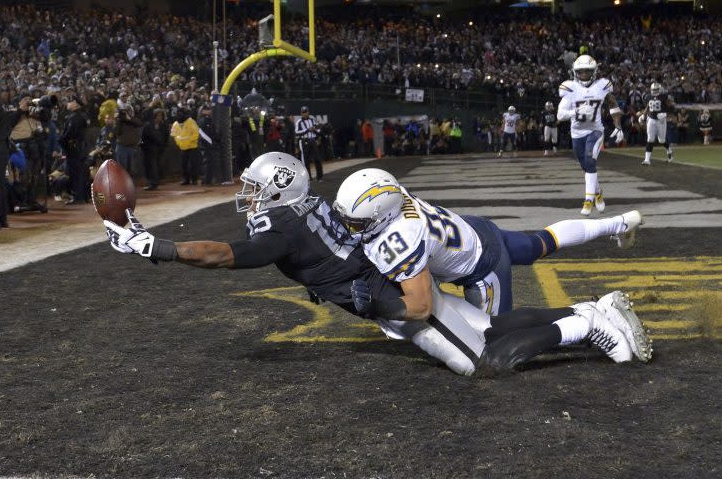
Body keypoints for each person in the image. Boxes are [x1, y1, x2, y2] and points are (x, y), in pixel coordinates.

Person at [103, 153, 650, 376]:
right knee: (492, 327)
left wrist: (151, 246)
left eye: (253, 188)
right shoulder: (312, 206)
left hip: (400, 297)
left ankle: (585, 324)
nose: (245, 196)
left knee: (487, 362)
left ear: (278, 190)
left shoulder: (290, 225)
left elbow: (222, 255)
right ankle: (589, 309)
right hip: (394, 285)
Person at [333, 168, 651, 372]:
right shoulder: (392, 195)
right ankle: (618, 223)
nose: (349, 227)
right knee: (541, 243)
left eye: (356, 222)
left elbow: (422, 305)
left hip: (481, 268)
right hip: (476, 230)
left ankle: (589, 317)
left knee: (494, 341)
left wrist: (378, 307)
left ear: (382, 216)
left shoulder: (399, 236)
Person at [557, 55, 624, 216]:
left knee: (589, 159)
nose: (584, 75)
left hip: (596, 130)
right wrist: (577, 111)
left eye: (587, 71)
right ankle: (598, 192)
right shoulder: (570, 88)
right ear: (575, 72)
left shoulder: (602, 86)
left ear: (594, 72)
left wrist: (618, 126)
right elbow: (560, 115)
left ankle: (588, 201)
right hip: (577, 133)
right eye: (581, 72)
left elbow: (613, 104)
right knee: (587, 167)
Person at [0, 85, 22, 229]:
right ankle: (2, 219)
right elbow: (10, 122)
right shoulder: (3, 107)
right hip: (3, 148)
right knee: (0, 184)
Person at [59, 97, 88, 205]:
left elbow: (69, 134)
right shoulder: (82, 115)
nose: (68, 103)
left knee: (75, 173)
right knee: (80, 172)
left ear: (76, 104)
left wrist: (60, 140)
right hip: (81, 148)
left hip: (74, 148)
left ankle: (78, 197)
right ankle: (83, 196)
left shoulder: (74, 117)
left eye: (71, 101)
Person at [638, 82, 675, 165]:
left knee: (661, 140)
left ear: (660, 89)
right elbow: (647, 107)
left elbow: (672, 108)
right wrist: (643, 115)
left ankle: (669, 150)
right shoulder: (648, 96)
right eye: (653, 90)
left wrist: (665, 114)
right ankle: (647, 160)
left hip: (661, 121)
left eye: (656, 89)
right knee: (650, 139)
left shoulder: (664, 97)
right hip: (651, 119)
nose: (654, 91)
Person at [171, 107, 200, 185]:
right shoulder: (175, 124)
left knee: (193, 164)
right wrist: (179, 143)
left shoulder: (191, 122)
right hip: (183, 148)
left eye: (181, 114)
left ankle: (194, 179)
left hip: (192, 147)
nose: (179, 115)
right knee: (184, 165)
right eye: (178, 114)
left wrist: (188, 141)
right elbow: (174, 136)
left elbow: (196, 134)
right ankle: (186, 179)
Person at [294, 106, 323, 182]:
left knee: (317, 159)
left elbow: (319, 130)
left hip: (313, 140)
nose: (305, 113)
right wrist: (307, 130)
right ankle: (308, 178)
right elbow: (297, 132)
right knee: (305, 160)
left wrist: (315, 130)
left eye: (306, 112)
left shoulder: (313, 120)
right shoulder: (299, 122)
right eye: (303, 112)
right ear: (301, 113)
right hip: (304, 141)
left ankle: (319, 177)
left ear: (308, 112)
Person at [141, 109, 168, 190]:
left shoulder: (162, 125)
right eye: (158, 116)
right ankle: (153, 182)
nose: (159, 117)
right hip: (150, 149)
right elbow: (144, 136)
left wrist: (163, 145)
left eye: (161, 116)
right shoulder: (149, 125)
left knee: (154, 166)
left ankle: (154, 183)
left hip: (156, 149)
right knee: (152, 166)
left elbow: (164, 137)